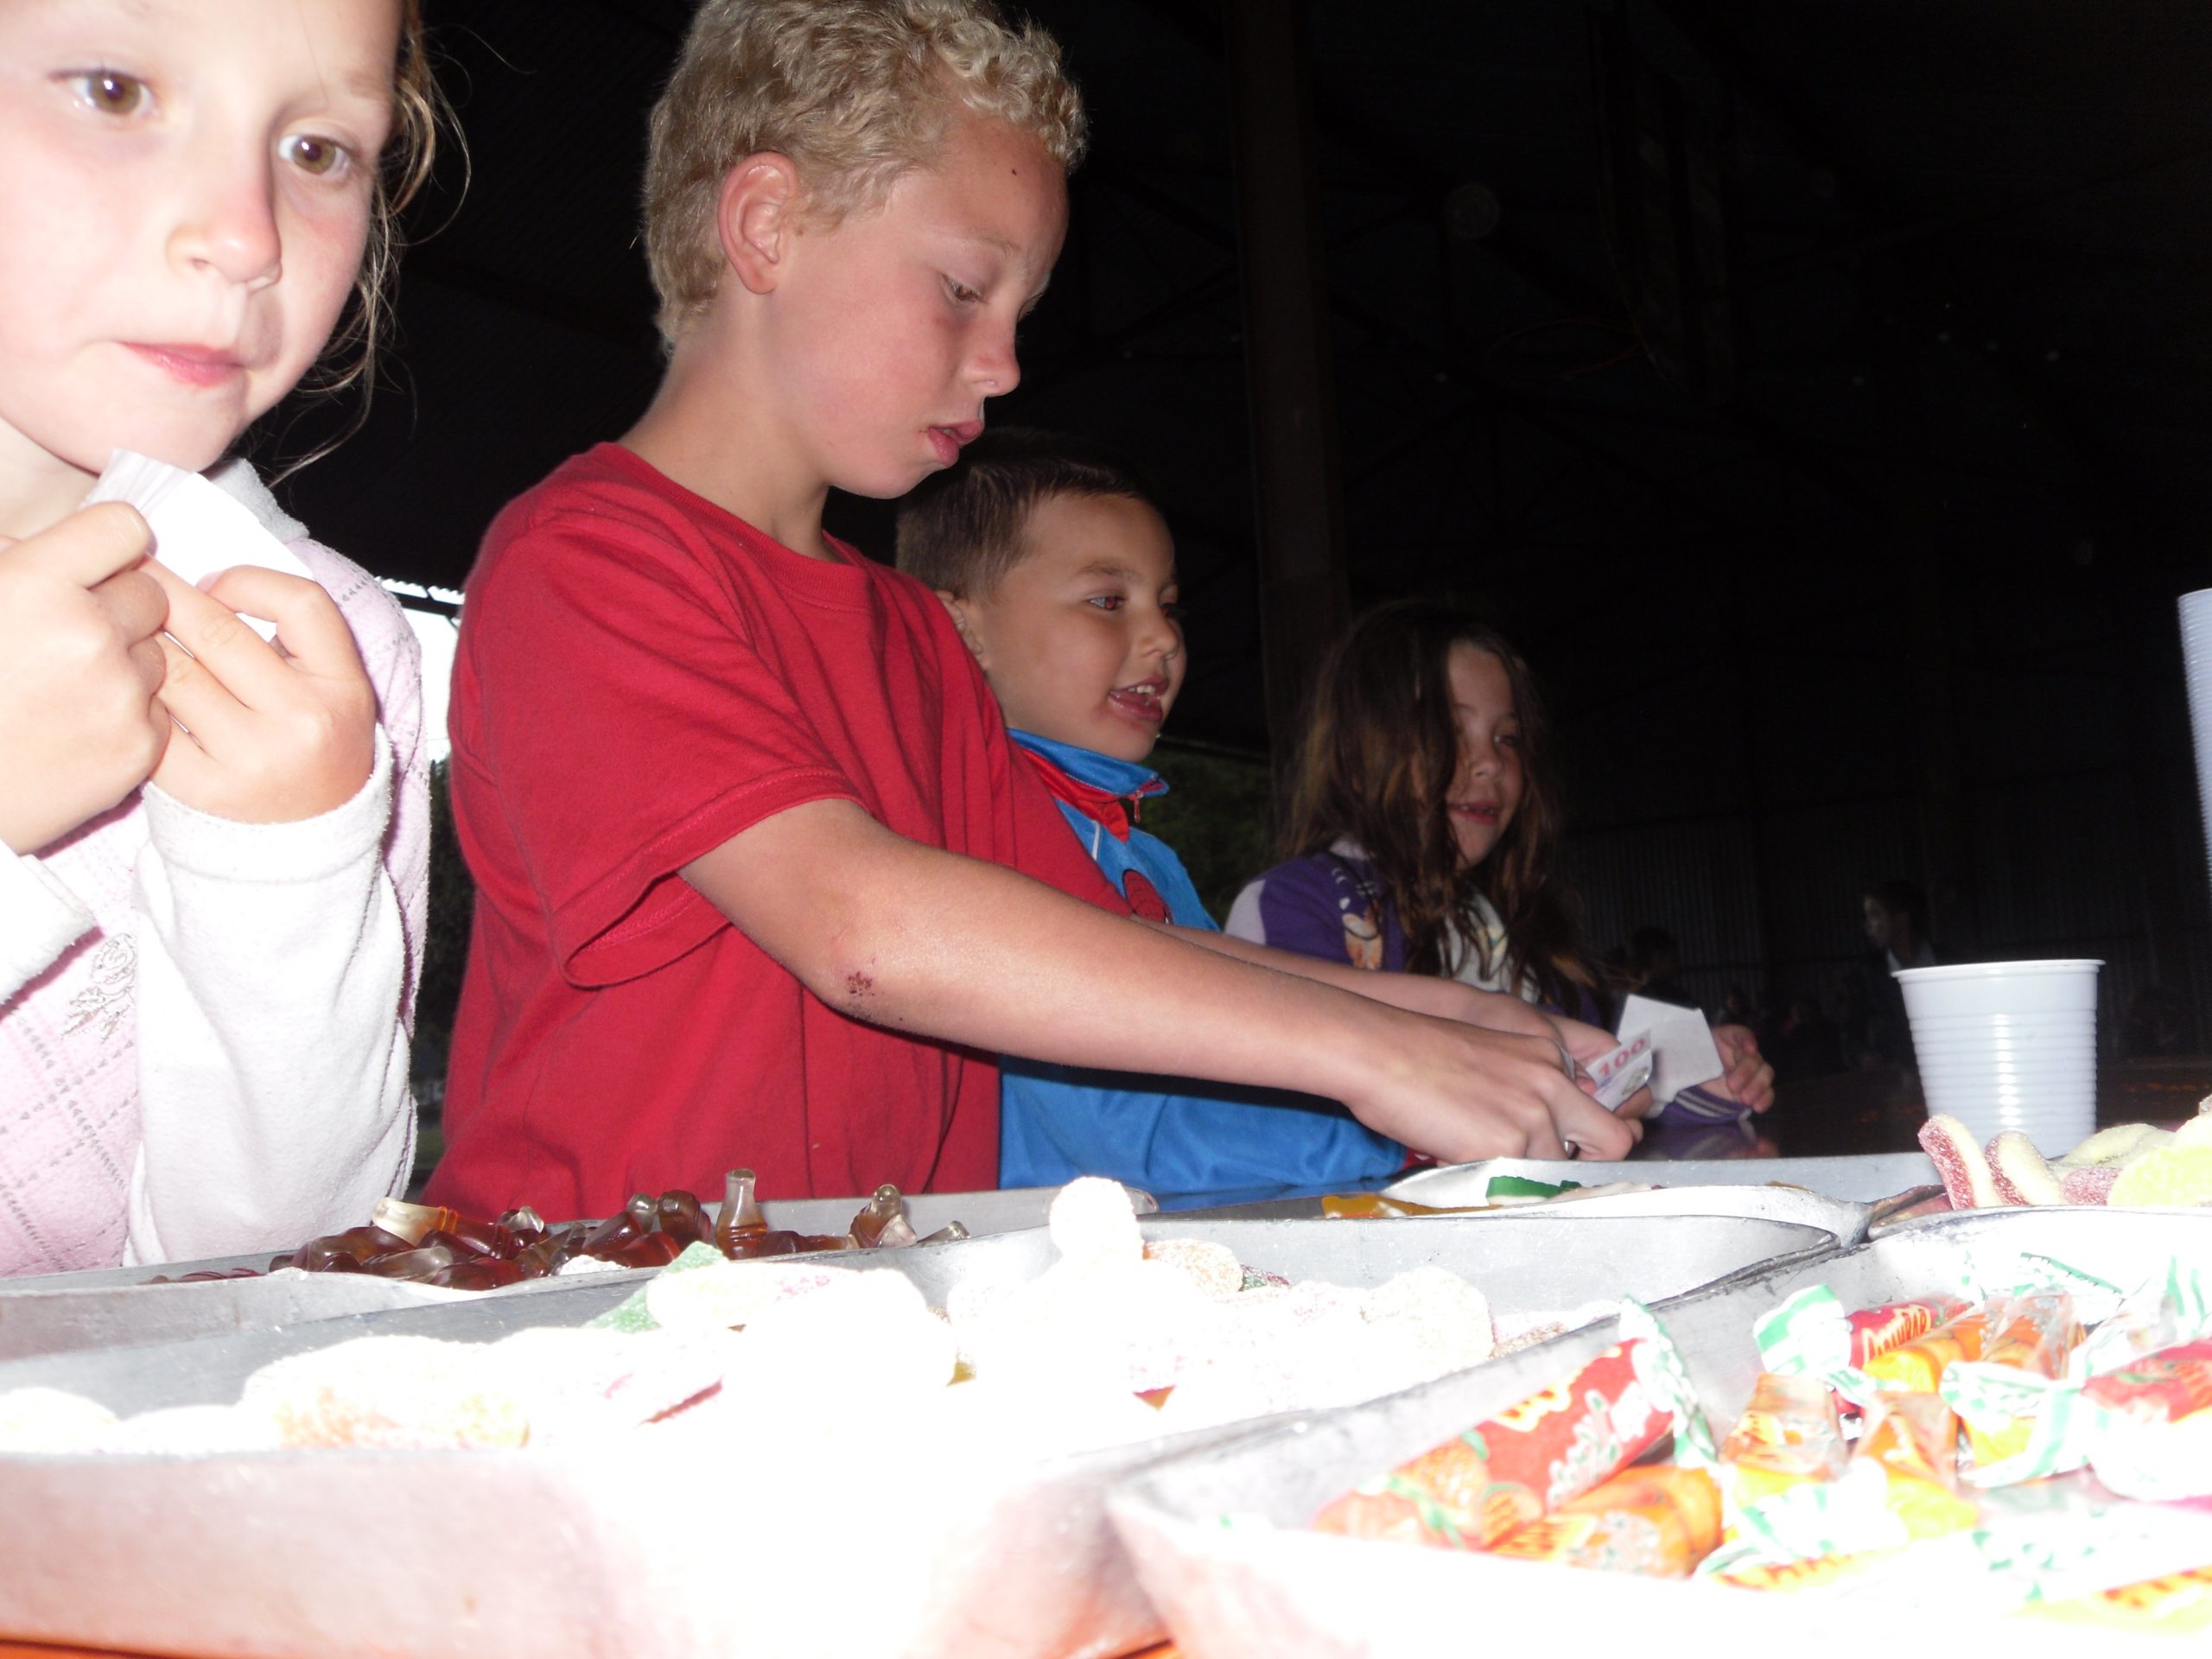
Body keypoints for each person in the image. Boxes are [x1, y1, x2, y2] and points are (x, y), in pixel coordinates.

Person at [431, 0, 1636, 1224]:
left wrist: (1464, 1019)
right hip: (600, 1295)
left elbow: (1102, 937)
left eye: (1021, 312)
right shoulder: (589, 561)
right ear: (767, 225)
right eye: (964, 288)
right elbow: (862, 928)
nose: (1003, 365)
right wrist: (1373, 1057)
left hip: (851, 1293)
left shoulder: (916, 636)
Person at [0, 0, 437, 1272]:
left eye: (316, 151)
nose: (249, 237)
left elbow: (280, 1267)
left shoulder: (323, 650)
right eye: (114, 90)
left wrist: (286, 870)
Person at [896, 428, 1404, 1193]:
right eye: (1108, 601)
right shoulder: (979, 843)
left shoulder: (1143, 854)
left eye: (1168, 606)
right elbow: (1134, 1131)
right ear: (960, 630)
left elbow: (1238, 1047)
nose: (1164, 636)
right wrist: (1402, 1131)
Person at [1229, 600, 1774, 1119]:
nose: (1489, 762)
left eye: (1507, 738)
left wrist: (1695, 1066)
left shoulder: (1518, 927)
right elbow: (1290, 1095)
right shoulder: (1295, 904)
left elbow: (1603, 1072)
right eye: (1448, 730)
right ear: (1356, 752)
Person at [1850, 877, 1933, 1067]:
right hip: (1894, 1077)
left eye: (1875, 915)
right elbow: (1852, 1034)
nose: (1867, 925)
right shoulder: (1865, 976)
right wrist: (1865, 1056)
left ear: (1902, 919)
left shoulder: (1951, 963)